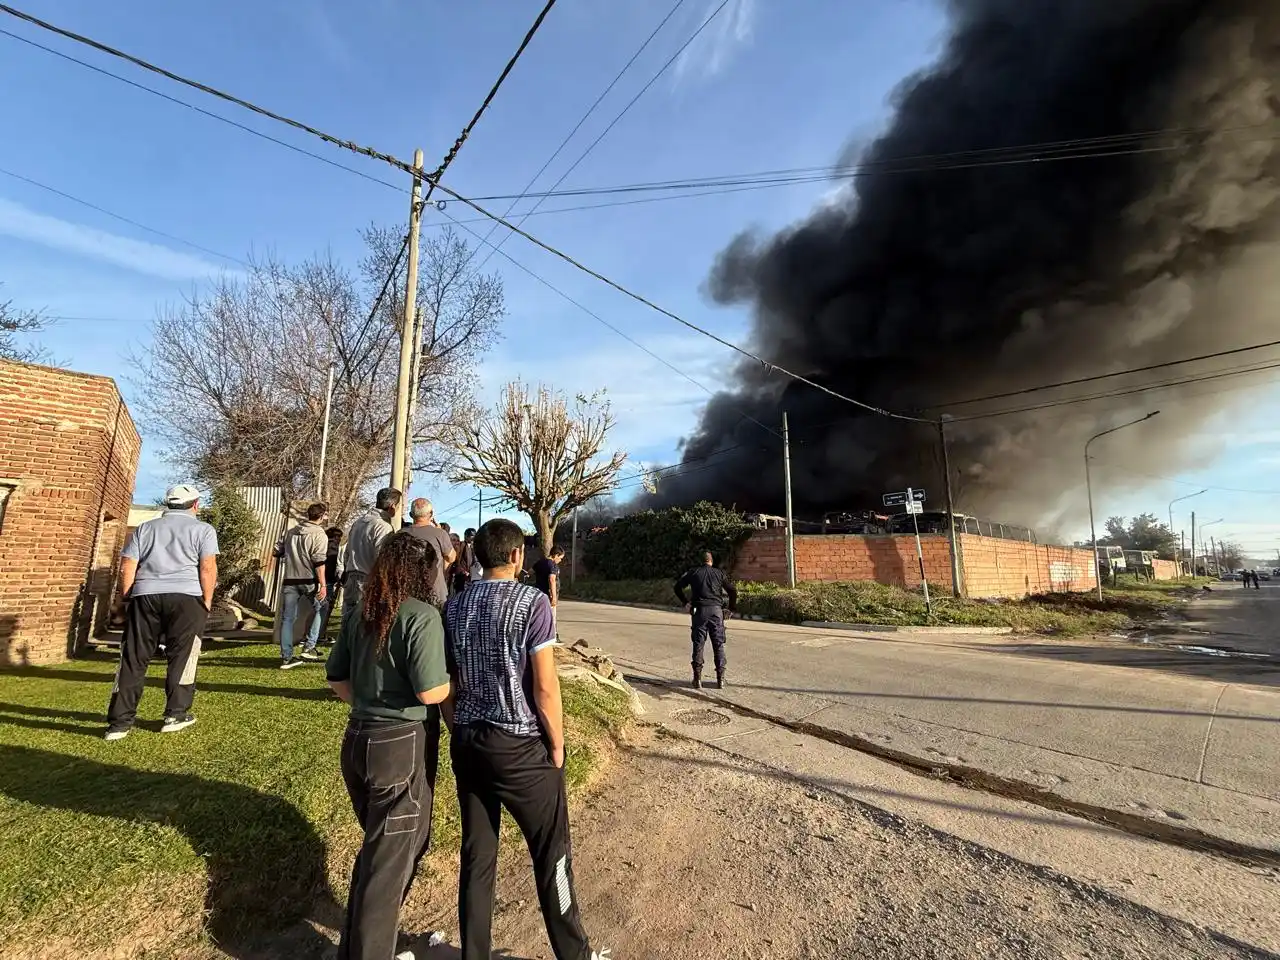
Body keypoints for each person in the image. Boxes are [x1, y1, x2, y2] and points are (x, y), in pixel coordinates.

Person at [442, 519, 606, 960]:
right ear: (517, 556)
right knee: (552, 855)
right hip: (520, 747)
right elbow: (546, 688)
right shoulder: (533, 604)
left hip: (468, 743)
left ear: (476, 556)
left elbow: (448, 684)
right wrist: (556, 745)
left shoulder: (454, 606)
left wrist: (456, 726)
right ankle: (575, 954)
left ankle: (473, 953)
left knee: (478, 855)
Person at [326, 532, 452, 960]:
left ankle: (355, 947)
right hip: (400, 745)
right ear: (425, 573)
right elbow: (432, 692)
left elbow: (336, 680)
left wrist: (369, 700)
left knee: (381, 849)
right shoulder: (421, 616)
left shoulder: (362, 611)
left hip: (357, 738)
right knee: (390, 862)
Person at [105, 483, 219, 741]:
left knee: (133, 658)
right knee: (183, 655)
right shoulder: (203, 530)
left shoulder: (145, 528)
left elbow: (128, 564)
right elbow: (207, 566)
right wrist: (207, 600)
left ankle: (119, 723)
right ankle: (175, 714)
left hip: (145, 595)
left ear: (168, 504)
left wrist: (127, 596)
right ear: (196, 505)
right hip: (187, 597)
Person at [273, 502, 330, 668]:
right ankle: (310, 645)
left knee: (287, 618)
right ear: (321, 516)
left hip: (290, 579)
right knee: (322, 607)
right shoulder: (319, 534)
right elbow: (319, 562)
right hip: (309, 580)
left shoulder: (291, 532)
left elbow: (276, 551)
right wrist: (323, 584)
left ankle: (286, 656)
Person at [674, 551, 738, 690]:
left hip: (699, 612)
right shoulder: (718, 573)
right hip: (716, 611)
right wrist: (731, 609)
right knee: (718, 644)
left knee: (698, 643)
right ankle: (720, 679)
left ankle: (697, 679)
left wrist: (686, 603)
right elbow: (732, 591)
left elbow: (677, 587)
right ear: (711, 561)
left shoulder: (693, 572)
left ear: (701, 561)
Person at [342, 488, 401, 636]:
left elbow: (347, 552)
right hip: (368, 580)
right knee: (364, 629)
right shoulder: (383, 526)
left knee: (348, 625)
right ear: (392, 506)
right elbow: (382, 559)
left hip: (351, 576)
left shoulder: (358, 522)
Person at [406, 498, 457, 605]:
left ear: (411, 514)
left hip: (407, 592)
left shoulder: (400, 534)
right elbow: (451, 557)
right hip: (435, 593)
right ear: (431, 514)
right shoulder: (440, 534)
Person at [533, 545, 565, 639]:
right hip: (548, 595)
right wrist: (554, 597)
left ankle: (540, 635)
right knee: (551, 616)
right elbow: (552, 579)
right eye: (560, 558)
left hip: (538, 593)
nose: (560, 560)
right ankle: (553, 636)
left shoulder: (540, 562)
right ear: (555, 555)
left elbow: (529, 572)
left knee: (540, 615)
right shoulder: (552, 565)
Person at [319, 525, 345, 639]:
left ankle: (319, 633)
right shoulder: (334, 548)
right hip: (328, 580)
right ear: (337, 537)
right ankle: (320, 633)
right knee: (324, 608)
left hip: (318, 579)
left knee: (318, 608)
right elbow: (331, 565)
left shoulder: (322, 545)